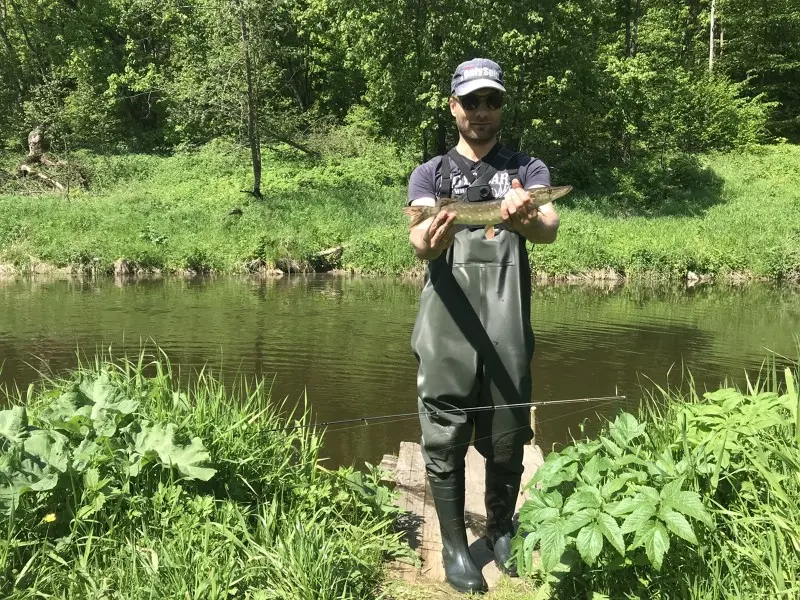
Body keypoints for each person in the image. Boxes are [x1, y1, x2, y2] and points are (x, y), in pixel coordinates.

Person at [406, 58, 560, 594]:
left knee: (509, 431)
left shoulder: (526, 169)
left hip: (506, 321)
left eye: (491, 101)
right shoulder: (430, 173)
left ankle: (500, 529)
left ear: (501, 107)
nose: (481, 111)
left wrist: (529, 218)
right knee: (443, 432)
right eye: (471, 101)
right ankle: (454, 545)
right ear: (454, 106)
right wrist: (433, 239)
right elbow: (419, 240)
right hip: (445, 321)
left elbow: (548, 228)